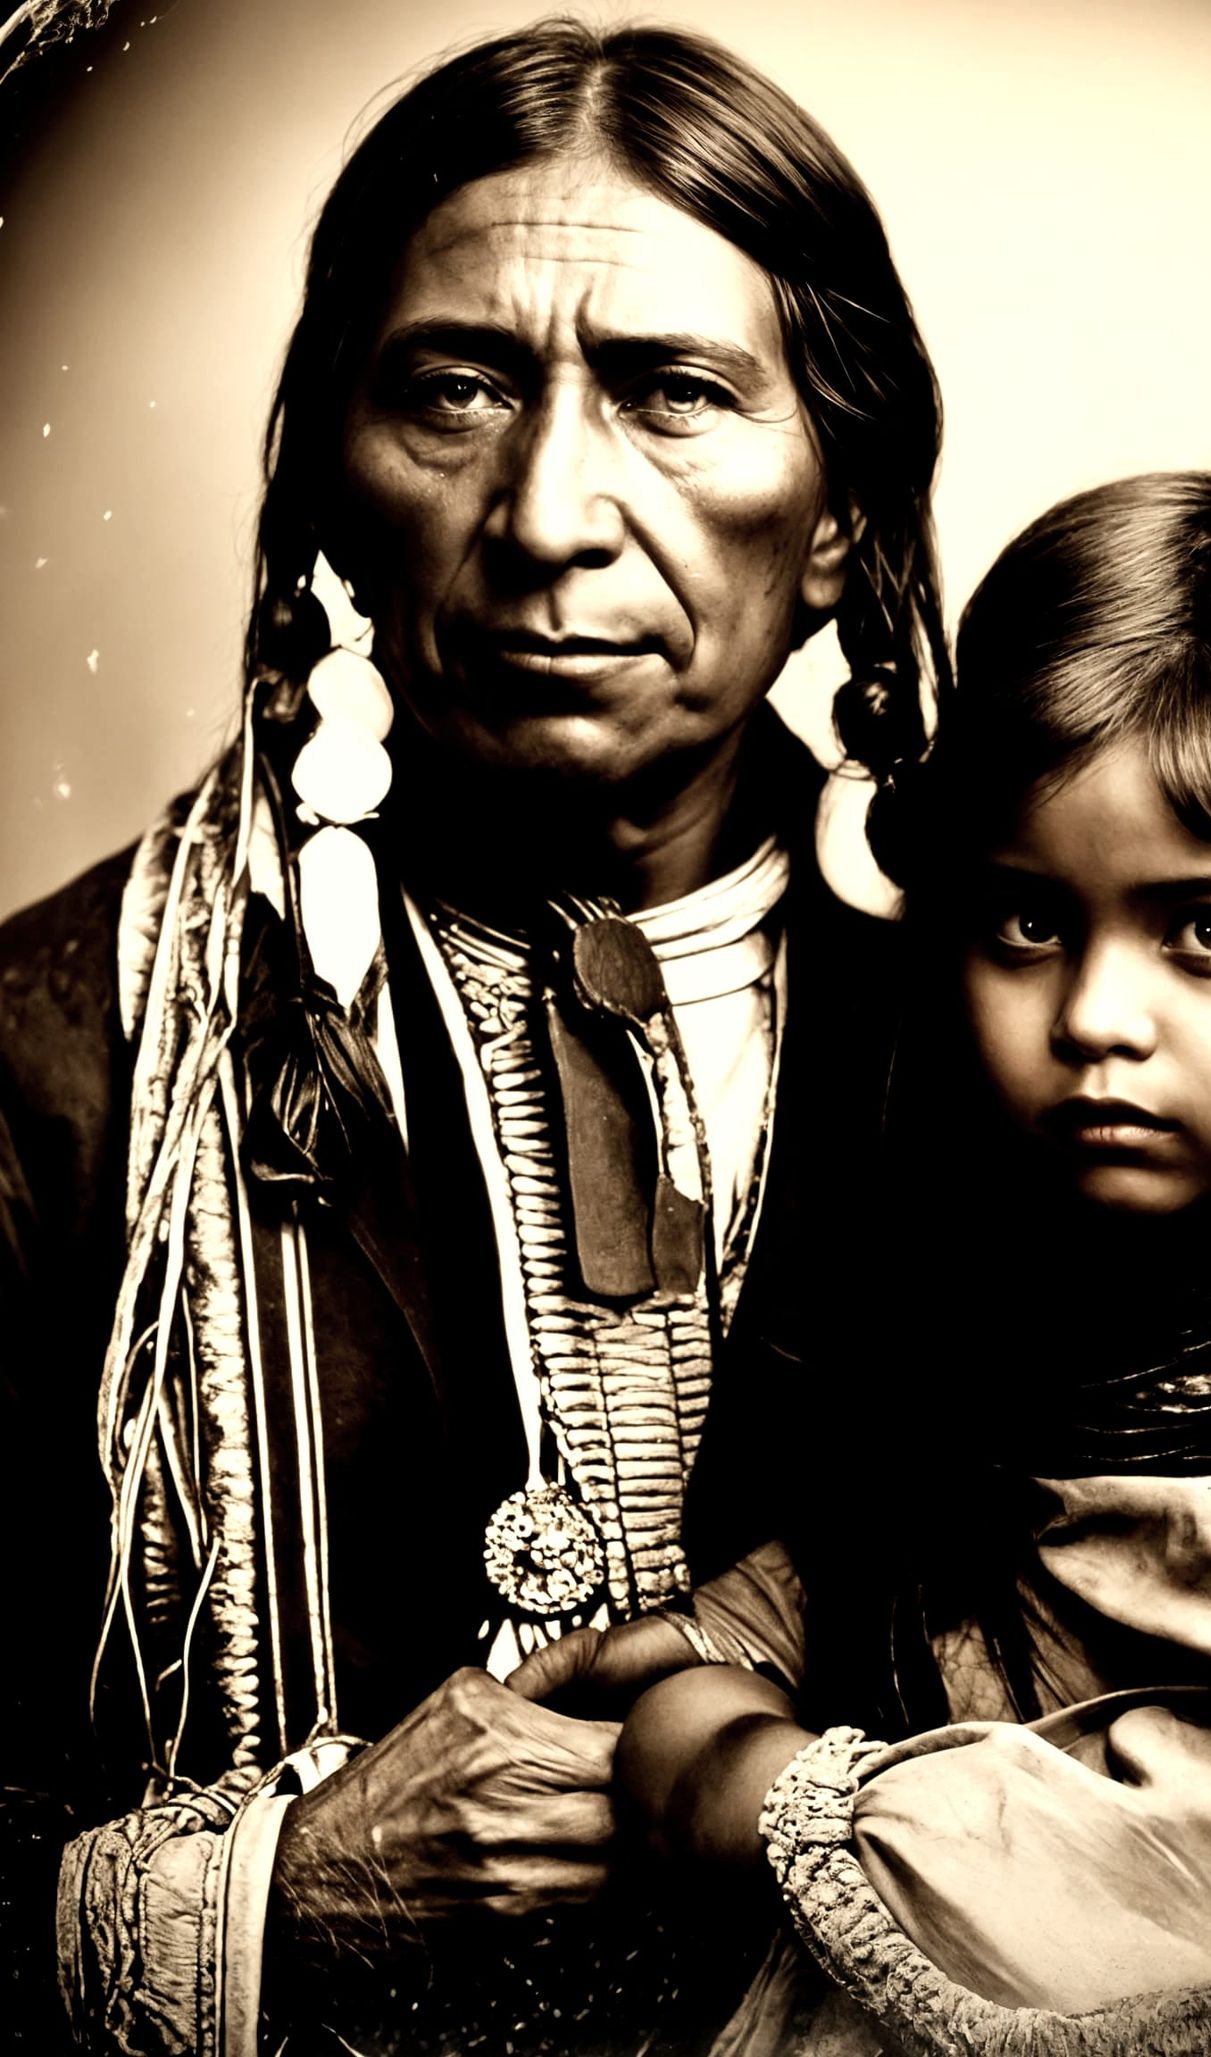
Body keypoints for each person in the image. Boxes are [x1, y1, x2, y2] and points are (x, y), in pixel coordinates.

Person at [0, 18, 948, 2054]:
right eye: (452, 391)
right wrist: (272, 1903)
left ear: (844, 512)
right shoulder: (52, 1072)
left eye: (674, 394)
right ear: (333, 480)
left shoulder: (1041, 1056)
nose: (542, 517)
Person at [568, 469, 1211, 2053]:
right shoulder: (1073, 1275)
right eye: (1030, 924)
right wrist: (772, 1615)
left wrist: (733, 1782)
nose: (1097, 1017)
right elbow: (970, 1525)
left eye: (1206, 930)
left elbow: (1168, 1900)